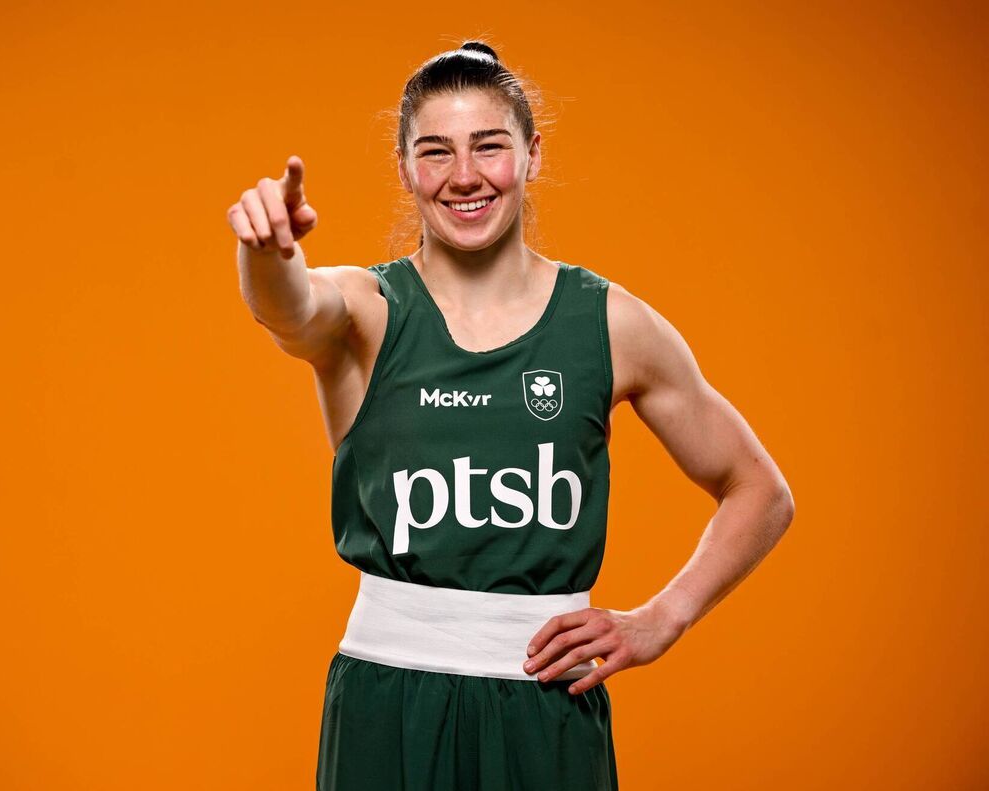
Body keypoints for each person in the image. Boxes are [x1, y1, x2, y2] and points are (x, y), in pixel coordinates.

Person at [228, 40, 794, 791]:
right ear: (404, 170)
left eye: (489, 146)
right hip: (388, 701)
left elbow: (760, 491)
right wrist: (267, 249)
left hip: (546, 709)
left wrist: (665, 617)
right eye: (436, 152)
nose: (465, 175)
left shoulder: (610, 323)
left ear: (531, 153)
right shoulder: (367, 313)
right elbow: (290, 306)